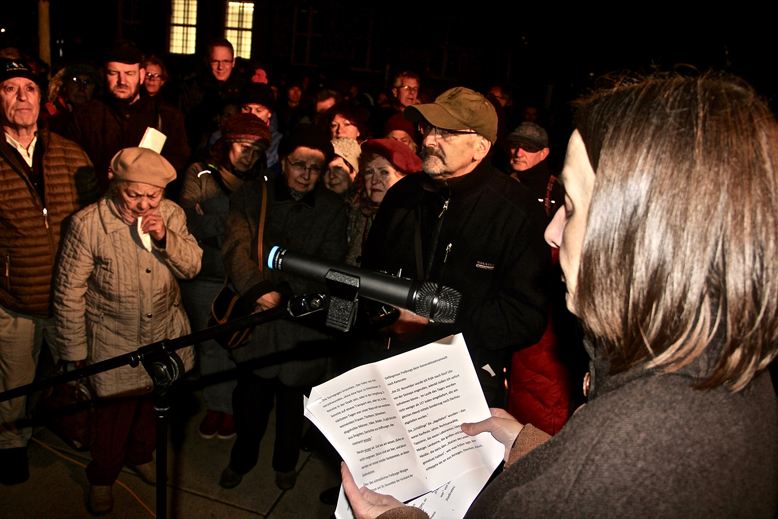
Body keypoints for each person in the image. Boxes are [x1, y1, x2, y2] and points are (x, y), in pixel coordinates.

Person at [342, 74, 778, 518]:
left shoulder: (638, 442)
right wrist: (537, 451)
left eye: (570, 204)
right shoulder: (717, 384)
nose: (552, 233)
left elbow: (595, 479)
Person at [359, 87, 550, 406]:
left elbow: (525, 316)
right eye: (428, 129)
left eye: (445, 132)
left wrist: (433, 320)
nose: (429, 140)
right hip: (389, 369)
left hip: (463, 385)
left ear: (480, 147)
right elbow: (370, 274)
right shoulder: (402, 196)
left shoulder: (518, 212)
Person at [53, 147, 202, 515]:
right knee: (112, 418)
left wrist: (167, 238)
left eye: (152, 196)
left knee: (154, 408)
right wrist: (74, 350)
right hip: (112, 339)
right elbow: (68, 292)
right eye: (132, 194)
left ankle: (141, 455)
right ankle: (102, 476)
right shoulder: (87, 224)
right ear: (114, 183)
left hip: (164, 331)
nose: (142, 204)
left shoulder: (171, 213)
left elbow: (193, 267)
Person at [218, 124, 347, 491]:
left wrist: (289, 293)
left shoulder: (333, 209)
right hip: (258, 321)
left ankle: (285, 463)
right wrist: (259, 290)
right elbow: (235, 248)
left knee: (294, 406)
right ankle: (242, 458)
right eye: (298, 164)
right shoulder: (251, 196)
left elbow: (331, 262)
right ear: (282, 161)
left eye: (315, 168)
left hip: (301, 324)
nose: (306, 175)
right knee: (250, 402)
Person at [0, 58, 99, 486]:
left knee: (79, 374)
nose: (22, 97)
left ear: (42, 98)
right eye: (10, 89)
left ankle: (81, 435)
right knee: (14, 383)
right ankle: (10, 449)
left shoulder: (69, 152)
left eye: (30, 89)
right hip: (15, 298)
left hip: (67, 297)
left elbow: (96, 219)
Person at [178, 113, 271, 441]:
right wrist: (233, 226)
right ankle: (216, 405)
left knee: (240, 344)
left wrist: (218, 225)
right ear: (226, 143)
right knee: (210, 345)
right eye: (243, 147)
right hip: (205, 276)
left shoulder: (262, 183)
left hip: (243, 277)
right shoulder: (200, 173)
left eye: (257, 151)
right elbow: (188, 223)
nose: (249, 156)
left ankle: (233, 407)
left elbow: (264, 232)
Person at [67, 42, 190, 190]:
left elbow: (179, 164)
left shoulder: (167, 116)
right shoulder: (84, 116)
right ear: (102, 73)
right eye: (114, 73)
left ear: (141, 75)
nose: (122, 81)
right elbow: (71, 166)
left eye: (129, 73)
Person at [345, 139, 422, 267]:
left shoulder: (412, 217)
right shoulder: (358, 210)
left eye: (384, 172)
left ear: (404, 178)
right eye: (369, 172)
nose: (375, 180)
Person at [178, 38, 246, 150]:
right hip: (196, 151)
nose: (221, 67)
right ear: (207, 61)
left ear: (233, 62)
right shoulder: (190, 88)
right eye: (215, 61)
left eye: (225, 61)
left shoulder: (244, 89)